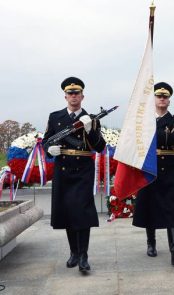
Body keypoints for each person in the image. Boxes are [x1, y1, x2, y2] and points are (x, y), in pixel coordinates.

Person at [43, 77, 106, 273]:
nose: (73, 96)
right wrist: (49, 149)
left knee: (83, 212)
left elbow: (100, 146)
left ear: (82, 96)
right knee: (68, 211)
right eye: (70, 93)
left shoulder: (91, 118)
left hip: (83, 170)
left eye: (76, 93)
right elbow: (46, 141)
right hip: (63, 168)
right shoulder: (55, 117)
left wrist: (90, 129)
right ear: (65, 96)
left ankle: (84, 255)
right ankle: (74, 252)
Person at [132, 82, 174, 266]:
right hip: (149, 167)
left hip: (169, 168)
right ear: (153, 99)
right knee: (149, 204)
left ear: (169, 101)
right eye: (158, 96)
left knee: (172, 206)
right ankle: (151, 243)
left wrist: (152, 132)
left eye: (165, 96)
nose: (162, 99)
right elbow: (137, 140)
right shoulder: (144, 121)